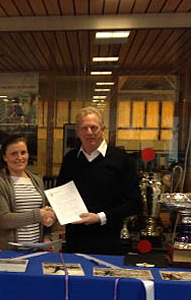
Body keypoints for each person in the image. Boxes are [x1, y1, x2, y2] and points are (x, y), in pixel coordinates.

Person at [57, 106, 140, 254]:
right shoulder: (70, 159)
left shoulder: (122, 159)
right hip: (74, 241)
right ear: (77, 132)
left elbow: (135, 203)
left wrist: (100, 217)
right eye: (84, 128)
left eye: (94, 127)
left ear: (103, 129)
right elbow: (60, 194)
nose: (89, 132)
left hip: (108, 242)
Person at [0, 135, 56, 250]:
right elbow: (3, 220)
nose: (20, 157)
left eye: (23, 153)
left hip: (36, 250)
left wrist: (47, 236)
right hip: (8, 252)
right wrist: (39, 214)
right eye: (14, 154)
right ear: (5, 157)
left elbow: (44, 216)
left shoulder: (37, 180)